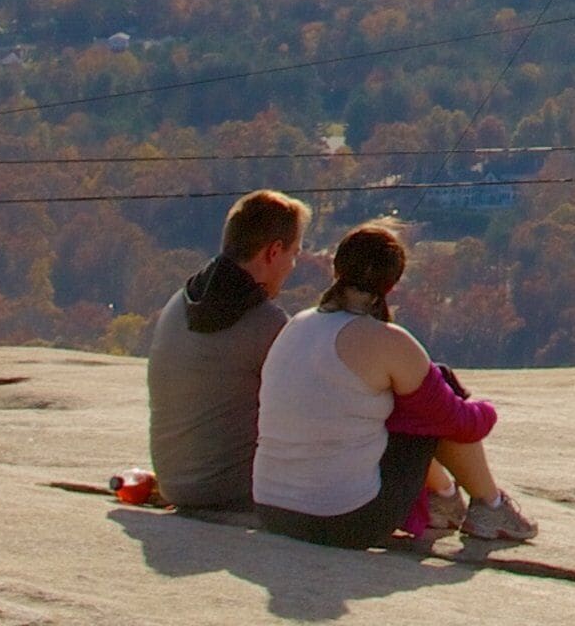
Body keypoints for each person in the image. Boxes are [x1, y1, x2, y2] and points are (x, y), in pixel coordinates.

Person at [252, 223, 539, 548]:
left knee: (412, 398)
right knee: (438, 391)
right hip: (342, 520)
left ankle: (444, 497)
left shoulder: (296, 325)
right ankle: (490, 506)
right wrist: (485, 410)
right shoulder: (388, 341)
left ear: (337, 268)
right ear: (391, 283)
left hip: (271, 508)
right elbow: (456, 422)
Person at [145, 188, 309, 511]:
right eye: (294, 253)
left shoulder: (180, 302)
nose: (293, 265)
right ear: (273, 252)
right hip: (229, 491)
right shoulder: (266, 323)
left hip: (174, 482)